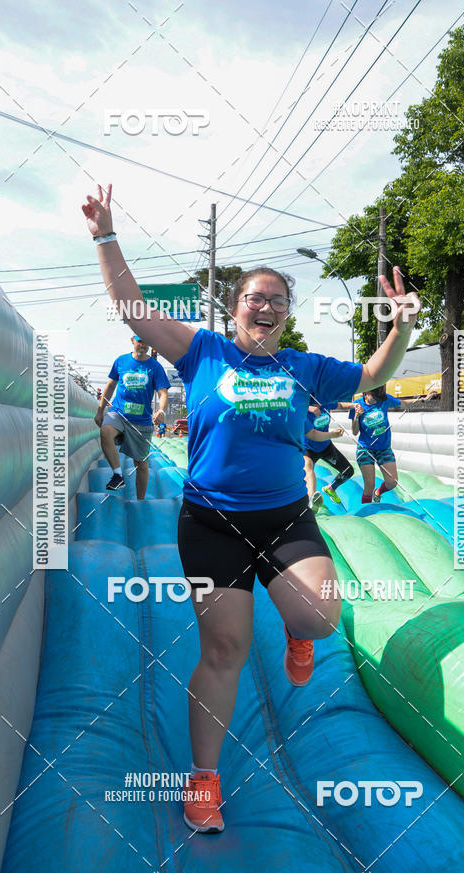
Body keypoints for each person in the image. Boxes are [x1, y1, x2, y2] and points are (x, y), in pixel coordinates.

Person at [82, 183, 419, 834]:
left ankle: (297, 624)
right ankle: (203, 780)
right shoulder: (202, 351)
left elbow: (375, 375)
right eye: (253, 296)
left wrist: (402, 328)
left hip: (286, 518)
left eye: (277, 299)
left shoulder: (304, 366)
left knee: (320, 617)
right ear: (234, 308)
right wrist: (105, 233)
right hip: (212, 523)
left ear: (287, 314)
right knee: (225, 648)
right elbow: (133, 308)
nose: (264, 306)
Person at [95, 335, 170, 499]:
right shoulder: (121, 361)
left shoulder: (155, 367)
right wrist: (100, 411)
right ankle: (117, 475)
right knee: (105, 431)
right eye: (139, 340)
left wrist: (161, 411)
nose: (143, 344)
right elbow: (110, 386)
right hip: (119, 413)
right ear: (132, 341)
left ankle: (140, 501)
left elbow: (163, 393)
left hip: (141, 422)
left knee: (141, 465)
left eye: (146, 341)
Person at [349, 385, 411, 503]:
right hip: (365, 449)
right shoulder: (357, 404)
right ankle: (367, 513)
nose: (378, 399)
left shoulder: (384, 399)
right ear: (367, 391)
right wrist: (357, 416)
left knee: (392, 482)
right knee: (369, 486)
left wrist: (425, 399)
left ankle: (378, 492)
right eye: (375, 396)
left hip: (383, 448)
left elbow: (403, 403)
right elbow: (355, 432)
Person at [303, 401, 354, 509]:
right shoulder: (303, 409)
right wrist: (332, 434)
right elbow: (313, 434)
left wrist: (353, 405)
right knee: (307, 469)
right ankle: (311, 502)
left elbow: (340, 405)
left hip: (326, 446)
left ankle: (330, 489)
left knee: (348, 471)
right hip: (308, 449)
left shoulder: (326, 403)